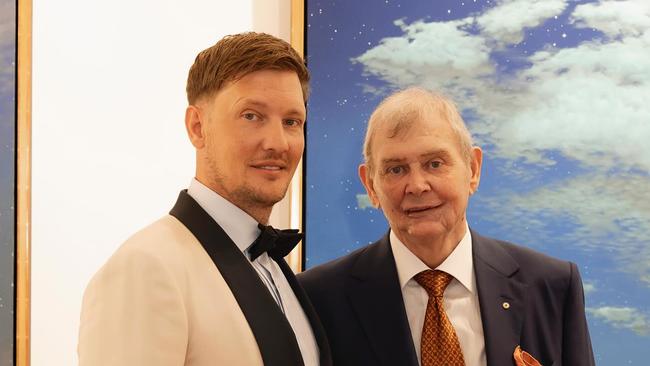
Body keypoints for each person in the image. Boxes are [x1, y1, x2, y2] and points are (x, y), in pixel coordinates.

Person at [78, 32, 331, 366]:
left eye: (291, 121)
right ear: (197, 127)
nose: (278, 142)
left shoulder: (276, 269)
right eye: (251, 116)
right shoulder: (145, 268)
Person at [298, 88, 595, 366]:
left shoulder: (551, 285)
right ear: (370, 186)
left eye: (435, 164)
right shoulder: (318, 300)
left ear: (473, 170)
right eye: (396, 169)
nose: (416, 185)